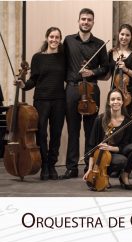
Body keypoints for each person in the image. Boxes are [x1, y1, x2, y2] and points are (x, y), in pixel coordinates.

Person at [61, 8, 109, 179]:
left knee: (91, 130)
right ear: (78, 21)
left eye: (89, 19)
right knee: (73, 129)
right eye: (83, 19)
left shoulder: (100, 44)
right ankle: (71, 167)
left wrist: (93, 72)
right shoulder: (67, 41)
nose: (86, 22)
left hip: (91, 90)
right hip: (73, 89)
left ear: (93, 22)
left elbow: (106, 67)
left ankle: (89, 165)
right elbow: (60, 63)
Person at [14, 27, 66, 180]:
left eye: (57, 37)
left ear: (60, 39)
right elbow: (33, 80)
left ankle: (52, 165)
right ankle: (44, 166)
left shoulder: (64, 57)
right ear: (47, 37)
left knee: (56, 134)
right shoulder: (37, 58)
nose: (54, 40)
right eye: (51, 37)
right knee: (41, 134)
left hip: (59, 100)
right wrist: (23, 85)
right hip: (41, 100)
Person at [83, 89, 132, 190]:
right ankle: (101, 175)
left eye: (118, 99)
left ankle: (112, 175)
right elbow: (92, 146)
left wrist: (109, 148)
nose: (115, 102)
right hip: (99, 157)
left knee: (122, 160)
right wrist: (90, 169)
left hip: (116, 153)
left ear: (122, 102)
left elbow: (125, 145)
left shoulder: (127, 122)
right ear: (109, 102)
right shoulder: (100, 119)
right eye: (113, 99)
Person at [108, 24, 132, 115]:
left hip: (131, 94)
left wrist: (125, 69)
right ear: (118, 34)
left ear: (131, 37)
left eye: (127, 35)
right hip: (115, 94)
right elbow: (107, 75)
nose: (124, 37)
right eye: (122, 34)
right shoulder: (111, 53)